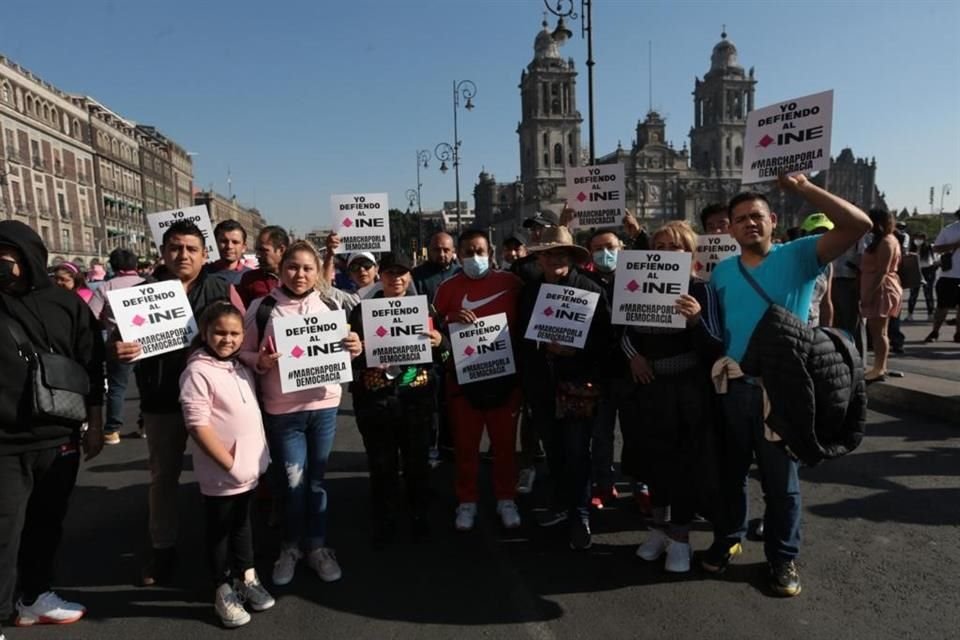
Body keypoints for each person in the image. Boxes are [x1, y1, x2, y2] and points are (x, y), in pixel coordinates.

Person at [703, 175, 871, 597]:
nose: (748, 224)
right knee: (732, 474)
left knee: (781, 481)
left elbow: (858, 225)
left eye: (756, 216)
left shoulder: (799, 256)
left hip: (783, 388)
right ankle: (729, 538)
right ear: (730, 228)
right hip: (735, 388)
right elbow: (717, 329)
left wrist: (805, 189)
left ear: (773, 220)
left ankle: (782, 558)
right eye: (739, 219)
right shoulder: (722, 272)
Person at [110, 220, 242, 586]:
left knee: (222, 474)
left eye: (191, 249)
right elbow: (116, 344)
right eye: (175, 248)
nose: (183, 254)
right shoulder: (141, 294)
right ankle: (163, 547)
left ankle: (227, 546)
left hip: (214, 400)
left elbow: (241, 337)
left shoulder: (221, 289)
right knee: (163, 477)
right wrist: (118, 350)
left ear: (204, 255)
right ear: (163, 252)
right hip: (161, 399)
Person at [0, 221, 105, 633]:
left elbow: (91, 363)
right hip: (4, 444)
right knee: (4, 530)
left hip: (58, 436)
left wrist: (94, 422)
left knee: (47, 522)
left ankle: (34, 595)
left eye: (8, 257)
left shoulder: (66, 304)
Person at [240, 241, 361, 586]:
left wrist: (355, 347)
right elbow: (243, 352)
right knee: (293, 485)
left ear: (316, 272)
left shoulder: (329, 304)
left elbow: (343, 351)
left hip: (323, 407)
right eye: (293, 267)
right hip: (283, 412)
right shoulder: (262, 308)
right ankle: (290, 547)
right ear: (281, 269)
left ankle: (317, 547)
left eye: (308, 268)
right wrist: (259, 361)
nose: (300, 274)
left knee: (317, 482)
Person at [626, 222, 723, 573]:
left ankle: (680, 539)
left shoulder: (701, 290)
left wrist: (696, 320)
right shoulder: (636, 287)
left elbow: (714, 346)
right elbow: (622, 332)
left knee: (683, 467)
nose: (666, 252)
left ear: (690, 253)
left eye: (675, 246)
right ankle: (657, 529)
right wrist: (633, 358)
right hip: (649, 389)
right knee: (654, 465)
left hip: (688, 392)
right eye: (660, 245)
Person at [180, 302, 273, 628]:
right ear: (204, 333)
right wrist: (228, 463)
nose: (228, 339)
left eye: (235, 333)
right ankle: (222, 587)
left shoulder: (237, 364)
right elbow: (197, 424)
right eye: (219, 332)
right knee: (219, 530)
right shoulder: (197, 371)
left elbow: (248, 359)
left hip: (247, 470)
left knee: (242, 524)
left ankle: (246, 577)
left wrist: (249, 463)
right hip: (223, 472)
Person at [518, 226, 611, 550]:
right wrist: (540, 349)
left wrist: (576, 349)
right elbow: (521, 339)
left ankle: (580, 513)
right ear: (539, 258)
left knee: (577, 451)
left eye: (561, 252)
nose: (554, 257)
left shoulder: (591, 289)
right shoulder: (529, 291)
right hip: (542, 386)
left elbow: (606, 341)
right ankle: (560, 505)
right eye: (548, 253)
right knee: (554, 451)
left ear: (571, 257)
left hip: (578, 386)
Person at [348, 252, 448, 546]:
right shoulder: (362, 310)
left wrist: (440, 341)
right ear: (381, 275)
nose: (397, 278)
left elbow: (445, 355)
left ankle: (419, 514)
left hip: (416, 398)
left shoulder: (425, 307)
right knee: (382, 465)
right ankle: (385, 518)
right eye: (391, 272)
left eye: (402, 272)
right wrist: (358, 349)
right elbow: (348, 358)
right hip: (376, 400)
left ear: (410, 275)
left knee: (417, 463)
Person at [434, 230, 524, 531]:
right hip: (463, 381)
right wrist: (449, 319)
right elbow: (432, 330)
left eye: (480, 251)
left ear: (491, 252)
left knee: (504, 446)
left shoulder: (511, 283)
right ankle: (467, 501)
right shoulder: (446, 289)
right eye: (469, 252)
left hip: (504, 380)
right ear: (459, 255)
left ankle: (506, 498)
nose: (475, 257)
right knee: (466, 446)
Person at [582, 228, 633, 510]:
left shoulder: (636, 278)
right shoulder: (583, 283)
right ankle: (603, 484)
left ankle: (641, 485)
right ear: (590, 254)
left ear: (622, 248)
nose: (605, 253)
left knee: (635, 432)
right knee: (600, 434)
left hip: (632, 370)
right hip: (598, 372)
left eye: (610, 246)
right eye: (598, 249)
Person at [88, 248, 145, 445]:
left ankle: (113, 431)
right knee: (147, 386)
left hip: (119, 346)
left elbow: (90, 317)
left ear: (113, 266)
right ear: (135, 265)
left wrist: (107, 321)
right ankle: (145, 424)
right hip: (150, 344)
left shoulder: (106, 287)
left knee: (117, 389)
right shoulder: (150, 283)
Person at [859, 209, 903, 381]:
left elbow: (882, 272)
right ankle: (879, 366)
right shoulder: (884, 240)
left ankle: (879, 368)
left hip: (881, 290)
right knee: (877, 330)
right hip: (879, 288)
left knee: (879, 331)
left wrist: (869, 294)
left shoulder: (886, 242)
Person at [926, 208, 960, 343]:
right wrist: (955, 245)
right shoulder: (949, 230)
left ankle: (958, 334)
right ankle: (935, 332)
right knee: (942, 307)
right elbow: (937, 248)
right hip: (949, 275)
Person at [237, 225, 288, 307]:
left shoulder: (296, 278)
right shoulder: (249, 279)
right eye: (257, 250)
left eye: (263, 250)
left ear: (281, 250)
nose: (258, 255)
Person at [800, 213, 835, 327]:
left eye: (827, 234)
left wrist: (827, 332)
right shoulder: (791, 260)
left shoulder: (828, 265)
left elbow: (826, 303)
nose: (823, 238)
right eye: (816, 233)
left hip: (814, 328)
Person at [412, 231, 460, 304]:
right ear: (429, 250)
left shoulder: (461, 273)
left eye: (446, 250)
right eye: (437, 250)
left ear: (453, 251)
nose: (441, 254)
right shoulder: (416, 275)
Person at [208, 219, 252, 286]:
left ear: (244, 247)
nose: (229, 246)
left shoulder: (253, 278)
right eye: (224, 241)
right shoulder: (200, 275)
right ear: (215, 244)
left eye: (235, 242)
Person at [907, 232, 937, 320]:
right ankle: (910, 314)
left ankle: (930, 315)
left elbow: (935, 260)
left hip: (928, 271)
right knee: (913, 294)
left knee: (928, 293)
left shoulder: (929, 248)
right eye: (916, 238)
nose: (918, 240)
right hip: (915, 271)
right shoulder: (911, 248)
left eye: (920, 238)